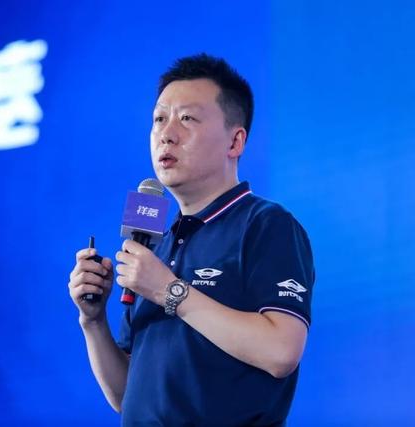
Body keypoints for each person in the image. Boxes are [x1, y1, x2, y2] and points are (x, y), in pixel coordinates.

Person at [68, 53, 314, 426]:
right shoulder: (154, 247)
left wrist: (170, 291)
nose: (167, 133)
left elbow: (281, 352)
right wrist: (93, 320)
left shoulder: (266, 224)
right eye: (159, 119)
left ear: (235, 141)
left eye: (187, 119)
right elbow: (125, 396)